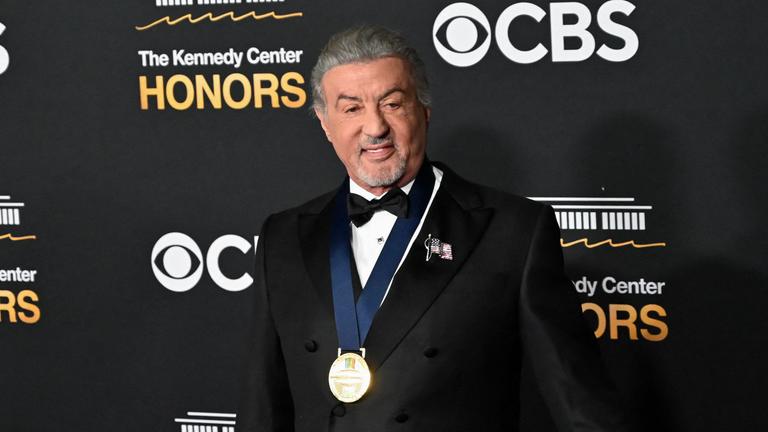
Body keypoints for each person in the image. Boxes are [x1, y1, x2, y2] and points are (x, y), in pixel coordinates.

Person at [238, 25, 633, 432]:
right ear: (325, 123)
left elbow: (580, 404)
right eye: (352, 108)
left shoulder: (513, 232)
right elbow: (262, 408)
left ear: (423, 110)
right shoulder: (281, 238)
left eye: (392, 104)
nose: (375, 128)